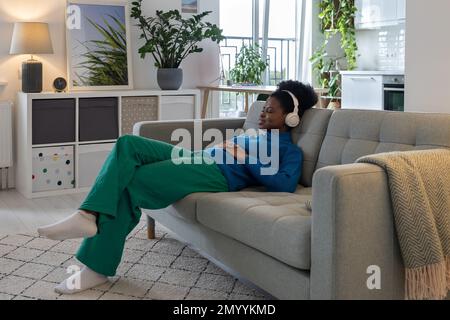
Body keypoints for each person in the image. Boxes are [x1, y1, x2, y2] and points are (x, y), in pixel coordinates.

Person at [37, 80, 318, 294]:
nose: (262, 114)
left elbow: (285, 182)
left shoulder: (287, 150)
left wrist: (243, 157)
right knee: (128, 144)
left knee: (134, 181)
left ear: (291, 117)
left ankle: (96, 265)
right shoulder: (253, 133)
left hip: (215, 174)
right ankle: (87, 215)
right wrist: (224, 146)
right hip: (200, 158)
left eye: (270, 110)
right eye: (263, 108)